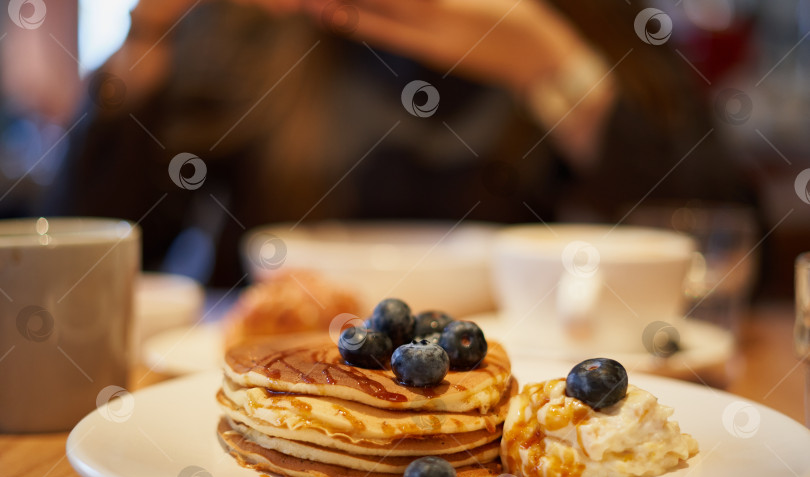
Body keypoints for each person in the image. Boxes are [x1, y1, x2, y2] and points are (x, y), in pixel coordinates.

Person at [49, 0, 757, 285]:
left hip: (533, 407)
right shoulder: (248, 27)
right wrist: (145, 42)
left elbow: (720, 242)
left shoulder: (594, 23)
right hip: (282, 396)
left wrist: (554, 67)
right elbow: (86, 256)